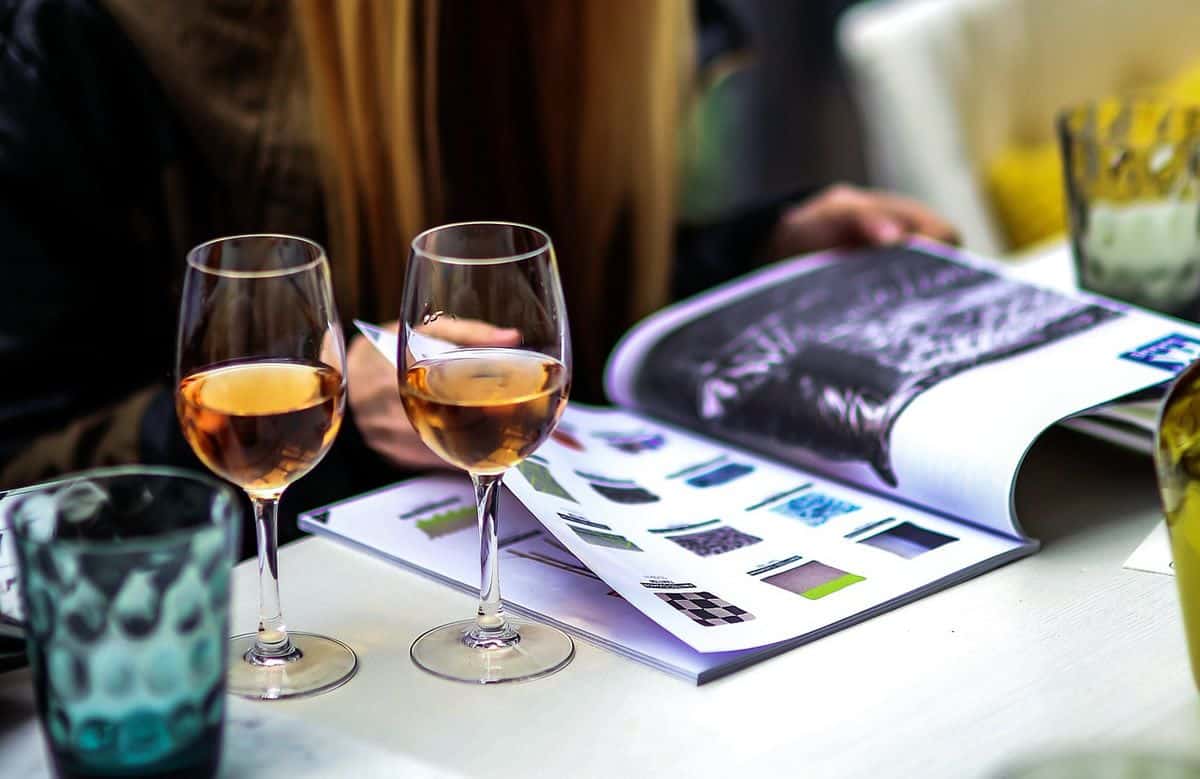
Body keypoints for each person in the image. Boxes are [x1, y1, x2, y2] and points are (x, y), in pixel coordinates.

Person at [0, 0, 956, 539]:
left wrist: (751, 253)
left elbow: (545, 308)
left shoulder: (597, 32)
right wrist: (323, 400)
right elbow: (23, 463)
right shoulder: (74, 40)